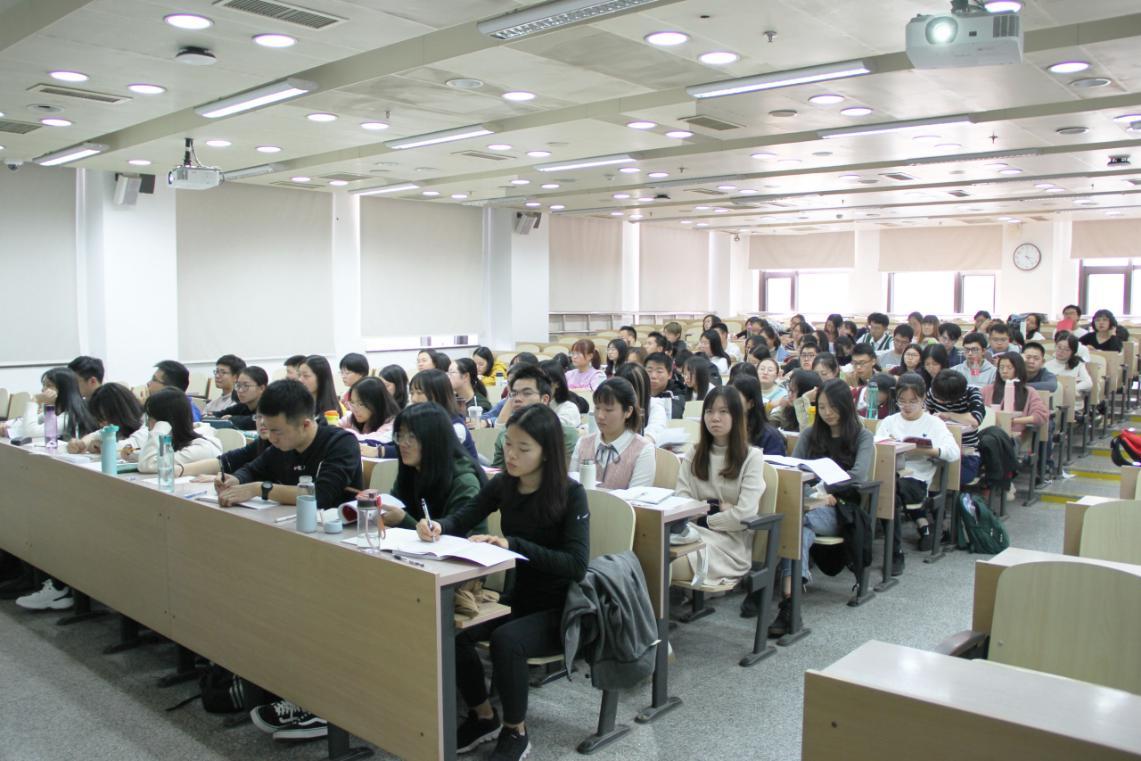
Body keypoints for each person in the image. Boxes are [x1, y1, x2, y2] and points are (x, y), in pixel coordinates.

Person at [418, 404, 589, 761]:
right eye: (508, 443)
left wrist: (514, 546)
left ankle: (516, 731)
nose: (511, 454)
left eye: (523, 448)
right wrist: (438, 526)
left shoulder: (570, 493)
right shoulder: (504, 484)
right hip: (518, 599)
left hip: (560, 609)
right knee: (453, 632)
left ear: (546, 453)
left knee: (506, 640)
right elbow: (465, 516)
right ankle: (483, 716)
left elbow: (575, 566)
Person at [767, 379, 875, 635]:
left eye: (833, 407)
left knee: (794, 521)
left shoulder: (862, 436)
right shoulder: (810, 434)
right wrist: (812, 495)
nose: (827, 413)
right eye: (823, 407)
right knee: (798, 527)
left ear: (846, 406)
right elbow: (793, 470)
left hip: (841, 509)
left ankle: (779, 592)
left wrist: (826, 491)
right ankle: (790, 602)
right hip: (808, 503)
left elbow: (858, 476)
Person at [670, 386, 765, 591]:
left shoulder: (752, 457)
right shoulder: (694, 453)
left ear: (737, 416)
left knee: (661, 565)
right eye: (709, 411)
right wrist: (716, 508)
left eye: (723, 412)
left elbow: (743, 515)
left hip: (729, 547)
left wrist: (703, 514)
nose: (714, 418)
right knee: (648, 553)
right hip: (690, 533)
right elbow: (681, 501)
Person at [875, 373, 960, 553]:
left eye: (913, 401)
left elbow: (953, 452)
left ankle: (895, 550)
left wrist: (925, 450)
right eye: (902, 401)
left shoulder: (934, 423)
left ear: (923, 399)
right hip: (892, 474)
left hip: (917, 480)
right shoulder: (889, 421)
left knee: (891, 491)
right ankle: (898, 547)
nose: (907, 406)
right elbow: (877, 447)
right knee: (889, 491)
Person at [386, 403, 488, 532]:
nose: (402, 443)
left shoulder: (464, 482)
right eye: (400, 435)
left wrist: (404, 521)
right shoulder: (411, 470)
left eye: (411, 436)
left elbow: (461, 538)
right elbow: (396, 506)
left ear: (433, 439)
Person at [570, 378, 655, 489]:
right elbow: (571, 488)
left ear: (628, 411)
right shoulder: (583, 443)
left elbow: (637, 496)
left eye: (608, 410)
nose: (600, 416)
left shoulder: (643, 449)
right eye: (597, 408)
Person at [490, 365, 578, 468]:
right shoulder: (505, 433)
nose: (517, 399)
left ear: (544, 399)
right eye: (514, 394)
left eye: (527, 393)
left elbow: (561, 472)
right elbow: (496, 471)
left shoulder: (565, 434)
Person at [134, 387, 223, 473]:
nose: (147, 425)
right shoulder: (178, 441)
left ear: (165, 422)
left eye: (150, 418)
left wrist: (159, 430)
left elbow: (148, 465)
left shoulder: (201, 448)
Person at [1, 367, 97, 440]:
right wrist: (6, 428)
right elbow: (23, 424)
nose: (43, 390)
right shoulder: (53, 411)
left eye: (49, 386)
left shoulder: (69, 417)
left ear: (64, 390)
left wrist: (35, 400)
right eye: (43, 385)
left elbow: (31, 432)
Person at [926, 370, 985, 488]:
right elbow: (926, 412)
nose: (936, 399)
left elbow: (975, 420)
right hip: (937, 448)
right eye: (936, 396)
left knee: (953, 477)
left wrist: (949, 415)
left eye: (941, 399)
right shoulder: (934, 391)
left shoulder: (972, 393)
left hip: (965, 452)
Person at [409, 369, 478, 461]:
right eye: (412, 393)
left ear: (438, 394)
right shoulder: (420, 422)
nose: (414, 399)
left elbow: (422, 452)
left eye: (419, 393)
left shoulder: (456, 427)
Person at [67, 382, 147, 456]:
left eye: (103, 418)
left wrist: (102, 447)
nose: (101, 424)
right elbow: (95, 435)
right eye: (98, 419)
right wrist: (80, 444)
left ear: (119, 413)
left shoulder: (147, 425)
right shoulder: (120, 426)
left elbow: (130, 447)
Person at [982, 353, 1050, 440]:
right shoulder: (987, 390)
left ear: (1018, 369)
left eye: (1009, 368)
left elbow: (1040, 416)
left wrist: (1013, 421)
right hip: (987, 433)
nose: (1004, 371)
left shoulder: (1029, 392)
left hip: (1014, 437)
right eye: (1001, 367)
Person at [341, 376, 400, 456]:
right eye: (352, 402)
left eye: (361, 404)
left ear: (377, 402)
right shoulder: (354, 416)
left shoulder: (393, 422)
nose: (355, 409)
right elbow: (336, 426)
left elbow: (377, 440)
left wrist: (346, 433)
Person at [730, 375, 786, 456]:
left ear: (751, 403)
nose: (728, 401)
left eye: (734, 397)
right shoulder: (724, 429)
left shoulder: (770, 436)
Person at [215, 366, 269, 430]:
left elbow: (256, 421)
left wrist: (231, 419)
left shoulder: (270, 405)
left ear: (262, 388)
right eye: (238, 385)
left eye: (246, 386)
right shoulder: (243, 405)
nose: (240, 390)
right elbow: (221, 414)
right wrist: (209, 415)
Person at [297, 355, 344, 420]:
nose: (300, 380)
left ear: (321, 378)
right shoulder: (300, 405)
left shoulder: (332, 412)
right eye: (299, 375)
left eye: (306, 376)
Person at [538, 359, 581, 428]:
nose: (537, 385)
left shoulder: (568, 408)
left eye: (542, 381)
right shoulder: (529, 403)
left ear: (557, 383)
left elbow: (552, 429)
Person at [645, 352, 685, 419]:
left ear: (669, 375)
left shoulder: (676, 395)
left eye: (659, 371)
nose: (653, 376)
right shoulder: (638, 391)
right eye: (649, 371)